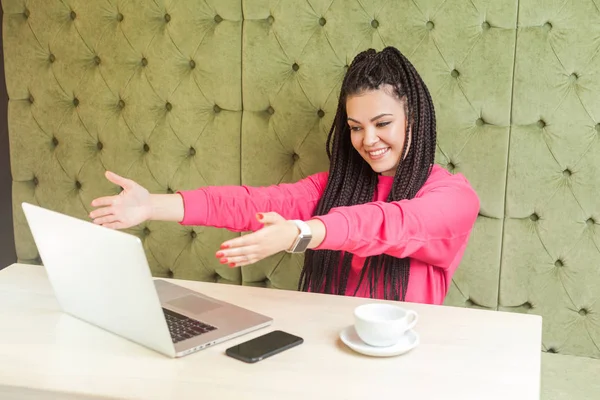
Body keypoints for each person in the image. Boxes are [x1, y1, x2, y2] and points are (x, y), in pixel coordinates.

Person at [89, 46, 480, 305]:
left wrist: (301, 233)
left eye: (382, 123)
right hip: (323, 353)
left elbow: (389, 223)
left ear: (414, 119)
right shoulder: (336, 188)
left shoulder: (452, 199)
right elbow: (253, 202)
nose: (368, 139)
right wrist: (150, 205)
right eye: (356, 126)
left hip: (406, 365)